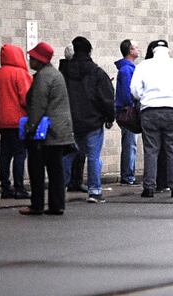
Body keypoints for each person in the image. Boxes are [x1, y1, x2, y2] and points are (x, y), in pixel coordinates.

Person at [131, 39, 173, 198]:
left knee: (151, 150)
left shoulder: (144, 66)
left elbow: (135, 90)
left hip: (150, 111)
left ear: (153, 52)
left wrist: (144, 98)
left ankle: (149, 187)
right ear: (167, 51)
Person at [19, 42, 74, 216]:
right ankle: (57, 205)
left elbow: (38, 106)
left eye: (32, 58)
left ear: (39, 60)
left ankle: (37, 205)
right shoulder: (56, 75)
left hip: (45, 132)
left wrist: (30, 128)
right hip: (60, 130)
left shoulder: (43, 77)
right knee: (55, 169)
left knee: (36, 168)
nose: (30, 60)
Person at [61, 36, 115, 204]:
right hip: (92, 121)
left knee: (68, 155)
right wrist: (109, 117)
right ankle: (95, 191)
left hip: (70, 121)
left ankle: (59, 188)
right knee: (93, 156)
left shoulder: (64, 72)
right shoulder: (96, 72)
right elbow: (106, 97)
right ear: (89, 51)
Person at [0, 44, 32, 199]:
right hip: (18, 122)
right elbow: (27, 99)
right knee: (20, 154)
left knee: (5, 155)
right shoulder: (20, 74)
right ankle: (19, 187)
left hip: (2, 122)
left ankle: (5, 188)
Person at [60, 44, 86, 192]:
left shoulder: (61, 70)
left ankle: (67, 181)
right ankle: (75, 180)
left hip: (66, 116)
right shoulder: (76, 72)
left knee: (69, 151)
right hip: (77, 116)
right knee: (78, 150)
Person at [115, 39, 141, 186]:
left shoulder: (127, 68)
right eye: (136, 48)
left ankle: (128, 174)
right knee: (130, 143)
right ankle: (128, 175)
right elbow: (127, 93)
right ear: (130, 50)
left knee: (130, 143)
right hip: (128, 112)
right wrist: (132, 106)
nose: (138, 50)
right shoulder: (127, 70)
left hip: (126, 110)